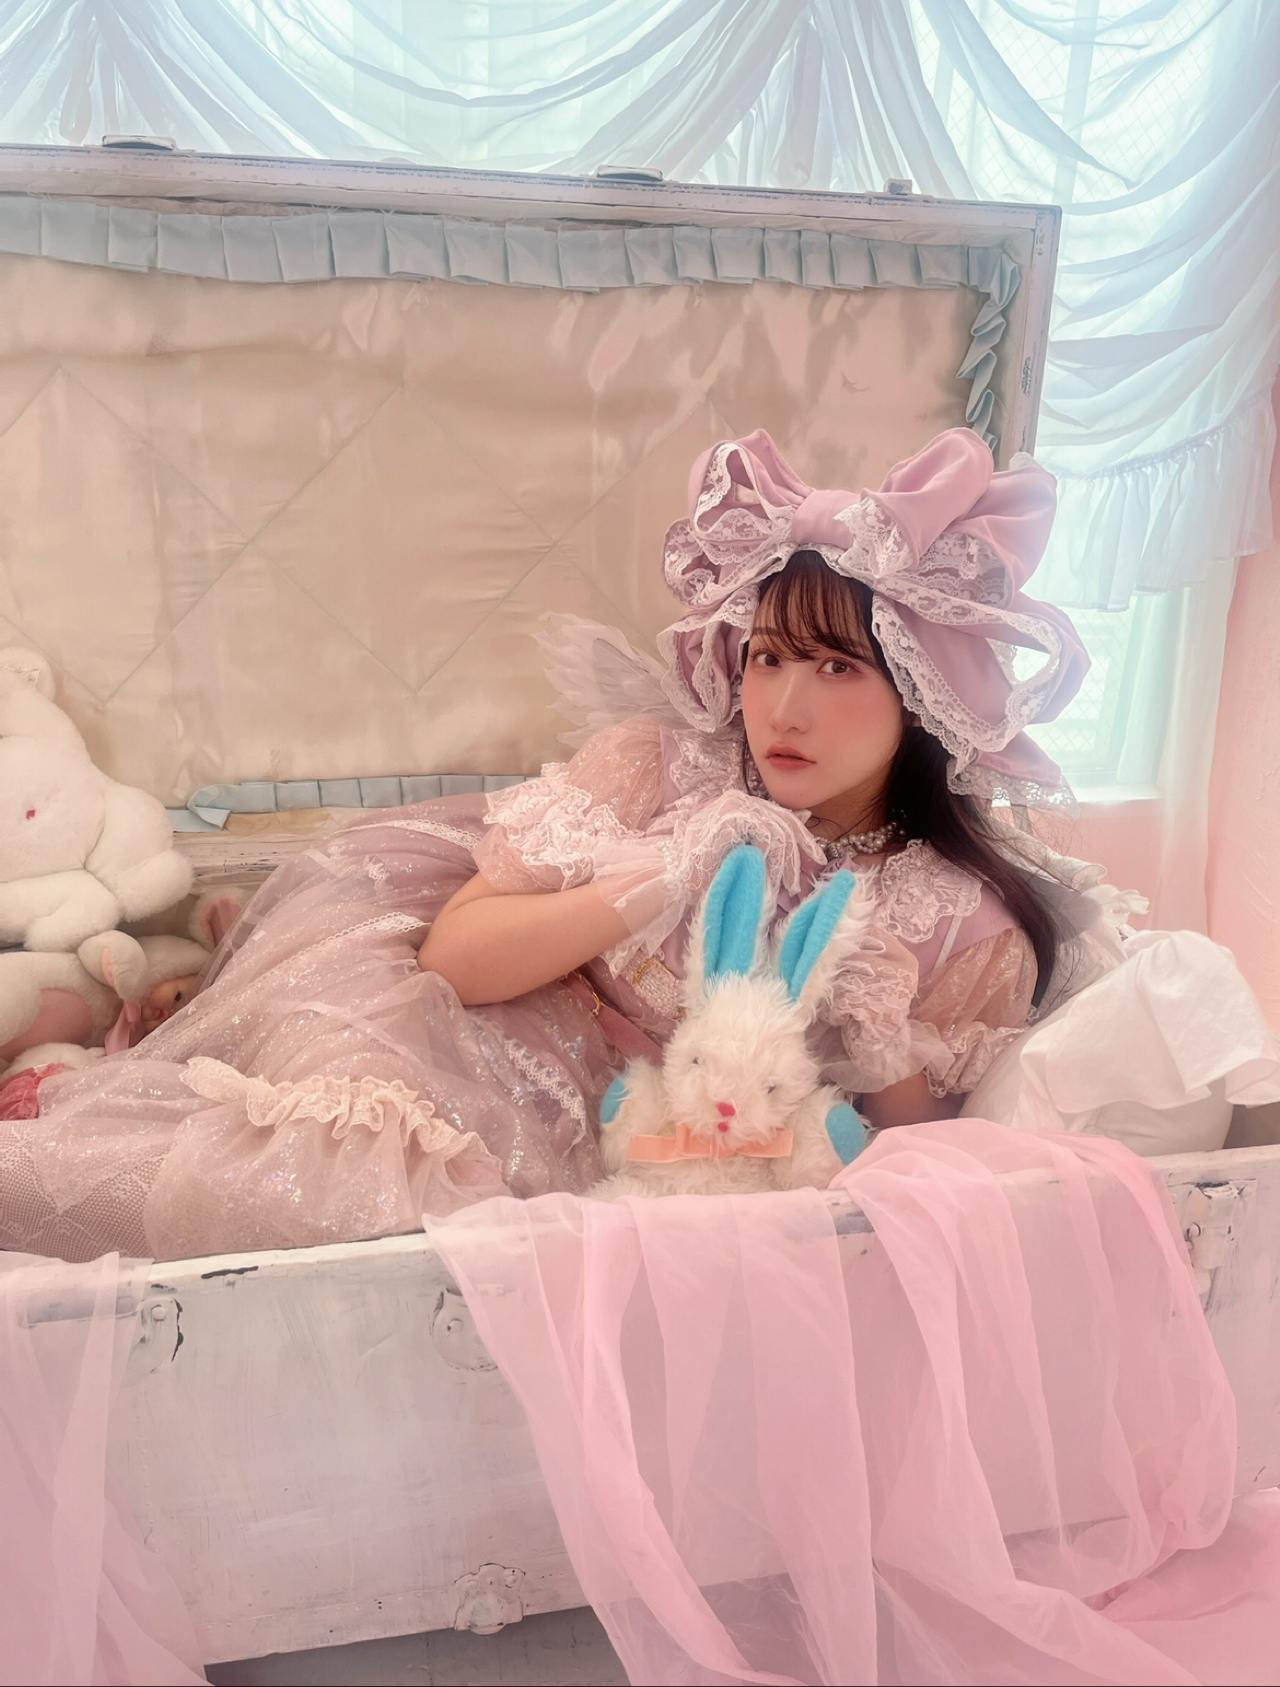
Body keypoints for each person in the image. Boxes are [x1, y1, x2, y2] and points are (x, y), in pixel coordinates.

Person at [0, 427, 1102, 1264]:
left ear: (922, 693)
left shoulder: (965, 919)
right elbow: (455, 958)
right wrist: (661, 879)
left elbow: (925, 1166)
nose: (784, 706)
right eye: (767, 658)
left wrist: (878, 1036)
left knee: (412, 1217)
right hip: (475, 1042)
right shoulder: (663, 769)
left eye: (835, 667)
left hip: (658, 1153)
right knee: (332, 1171)